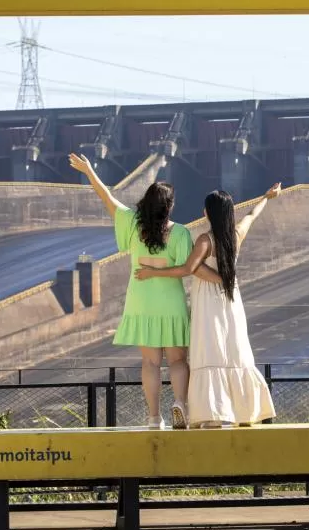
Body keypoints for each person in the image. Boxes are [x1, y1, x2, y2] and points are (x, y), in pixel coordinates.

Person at [69, 153, 220, 430]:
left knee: (150, 363)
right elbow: (190, 267)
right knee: (177, 360)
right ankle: (179, 404)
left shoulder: (133, 225)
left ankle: (153, 417)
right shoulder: (180, 233)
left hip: (140, 304)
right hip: (171, 303)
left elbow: (108, 198)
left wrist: (90, 171)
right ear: (169, 206)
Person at [135, 185, 280, 428]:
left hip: (208, 302)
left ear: (208, 213)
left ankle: (211, 416)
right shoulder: (236, 234)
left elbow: (186, 269)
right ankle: (245, 411)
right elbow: (252, 215)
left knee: (209, 351)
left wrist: (153, 272)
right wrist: (266, 197)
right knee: (234, 350)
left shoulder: (205, 241)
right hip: (231, 301)